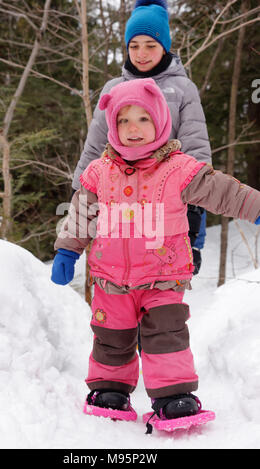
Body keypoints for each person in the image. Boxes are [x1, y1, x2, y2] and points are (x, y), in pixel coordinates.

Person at [51, 78, 260, 428]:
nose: (133, 128)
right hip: (110, 278)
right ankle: (109, 389)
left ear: (161, 121)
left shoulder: (179, 169)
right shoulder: (98, 173)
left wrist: (256, 207)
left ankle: (173, 396)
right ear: (113, 127)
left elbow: (223, 191)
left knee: (167, 336)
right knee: (111, 337)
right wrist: (68, 252)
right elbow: (80, 215)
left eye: (143, 119)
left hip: (163, 277)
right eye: (123, 120)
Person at [71, 0, 211, 274]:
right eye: (134, 46)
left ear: (164, 47)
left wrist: (195, 226)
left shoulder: (183, 89)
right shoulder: (114, 88)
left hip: (167, 201)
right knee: (120, 280)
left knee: (161, 291)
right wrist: (78, 192)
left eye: (150, 45)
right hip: (120, 200)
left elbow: (196, 151)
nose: (141, 53)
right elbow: (94, 146)